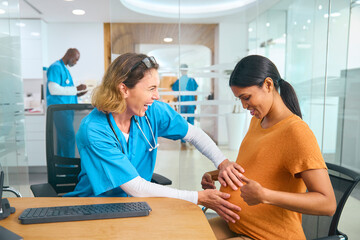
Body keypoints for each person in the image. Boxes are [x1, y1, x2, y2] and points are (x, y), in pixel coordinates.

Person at [65, 53, 247, 223]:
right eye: (151, 88)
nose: (157, 96)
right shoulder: (94, 130)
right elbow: (134, 186)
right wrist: (198, 198)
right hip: (97, 210)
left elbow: (195, 134)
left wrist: (222, 163)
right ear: (124, 89)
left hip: (139, 206)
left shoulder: (153, 111)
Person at [201, 55, 336, 240]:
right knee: (185, 232)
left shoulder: (296, 132)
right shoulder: (258, 121)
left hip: (267, 235)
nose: (243, 105)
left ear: (268, 85)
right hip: (237, 224)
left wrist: (265, 195)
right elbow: (256, 171)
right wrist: (216, 174)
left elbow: (327, 203)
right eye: (239, 99)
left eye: (246, 97)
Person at [46, 48, 87, 158]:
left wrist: (77, 94)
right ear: (69, 55)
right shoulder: (55, 67)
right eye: (76, 59)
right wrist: (76, 88)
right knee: (68, 137)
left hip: (66, 110)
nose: (76, 62)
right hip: (59, 110)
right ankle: (68, 168)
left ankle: (63, 168)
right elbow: (53, 89)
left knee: (62, 139)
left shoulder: (65, 69)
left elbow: (65, 89)